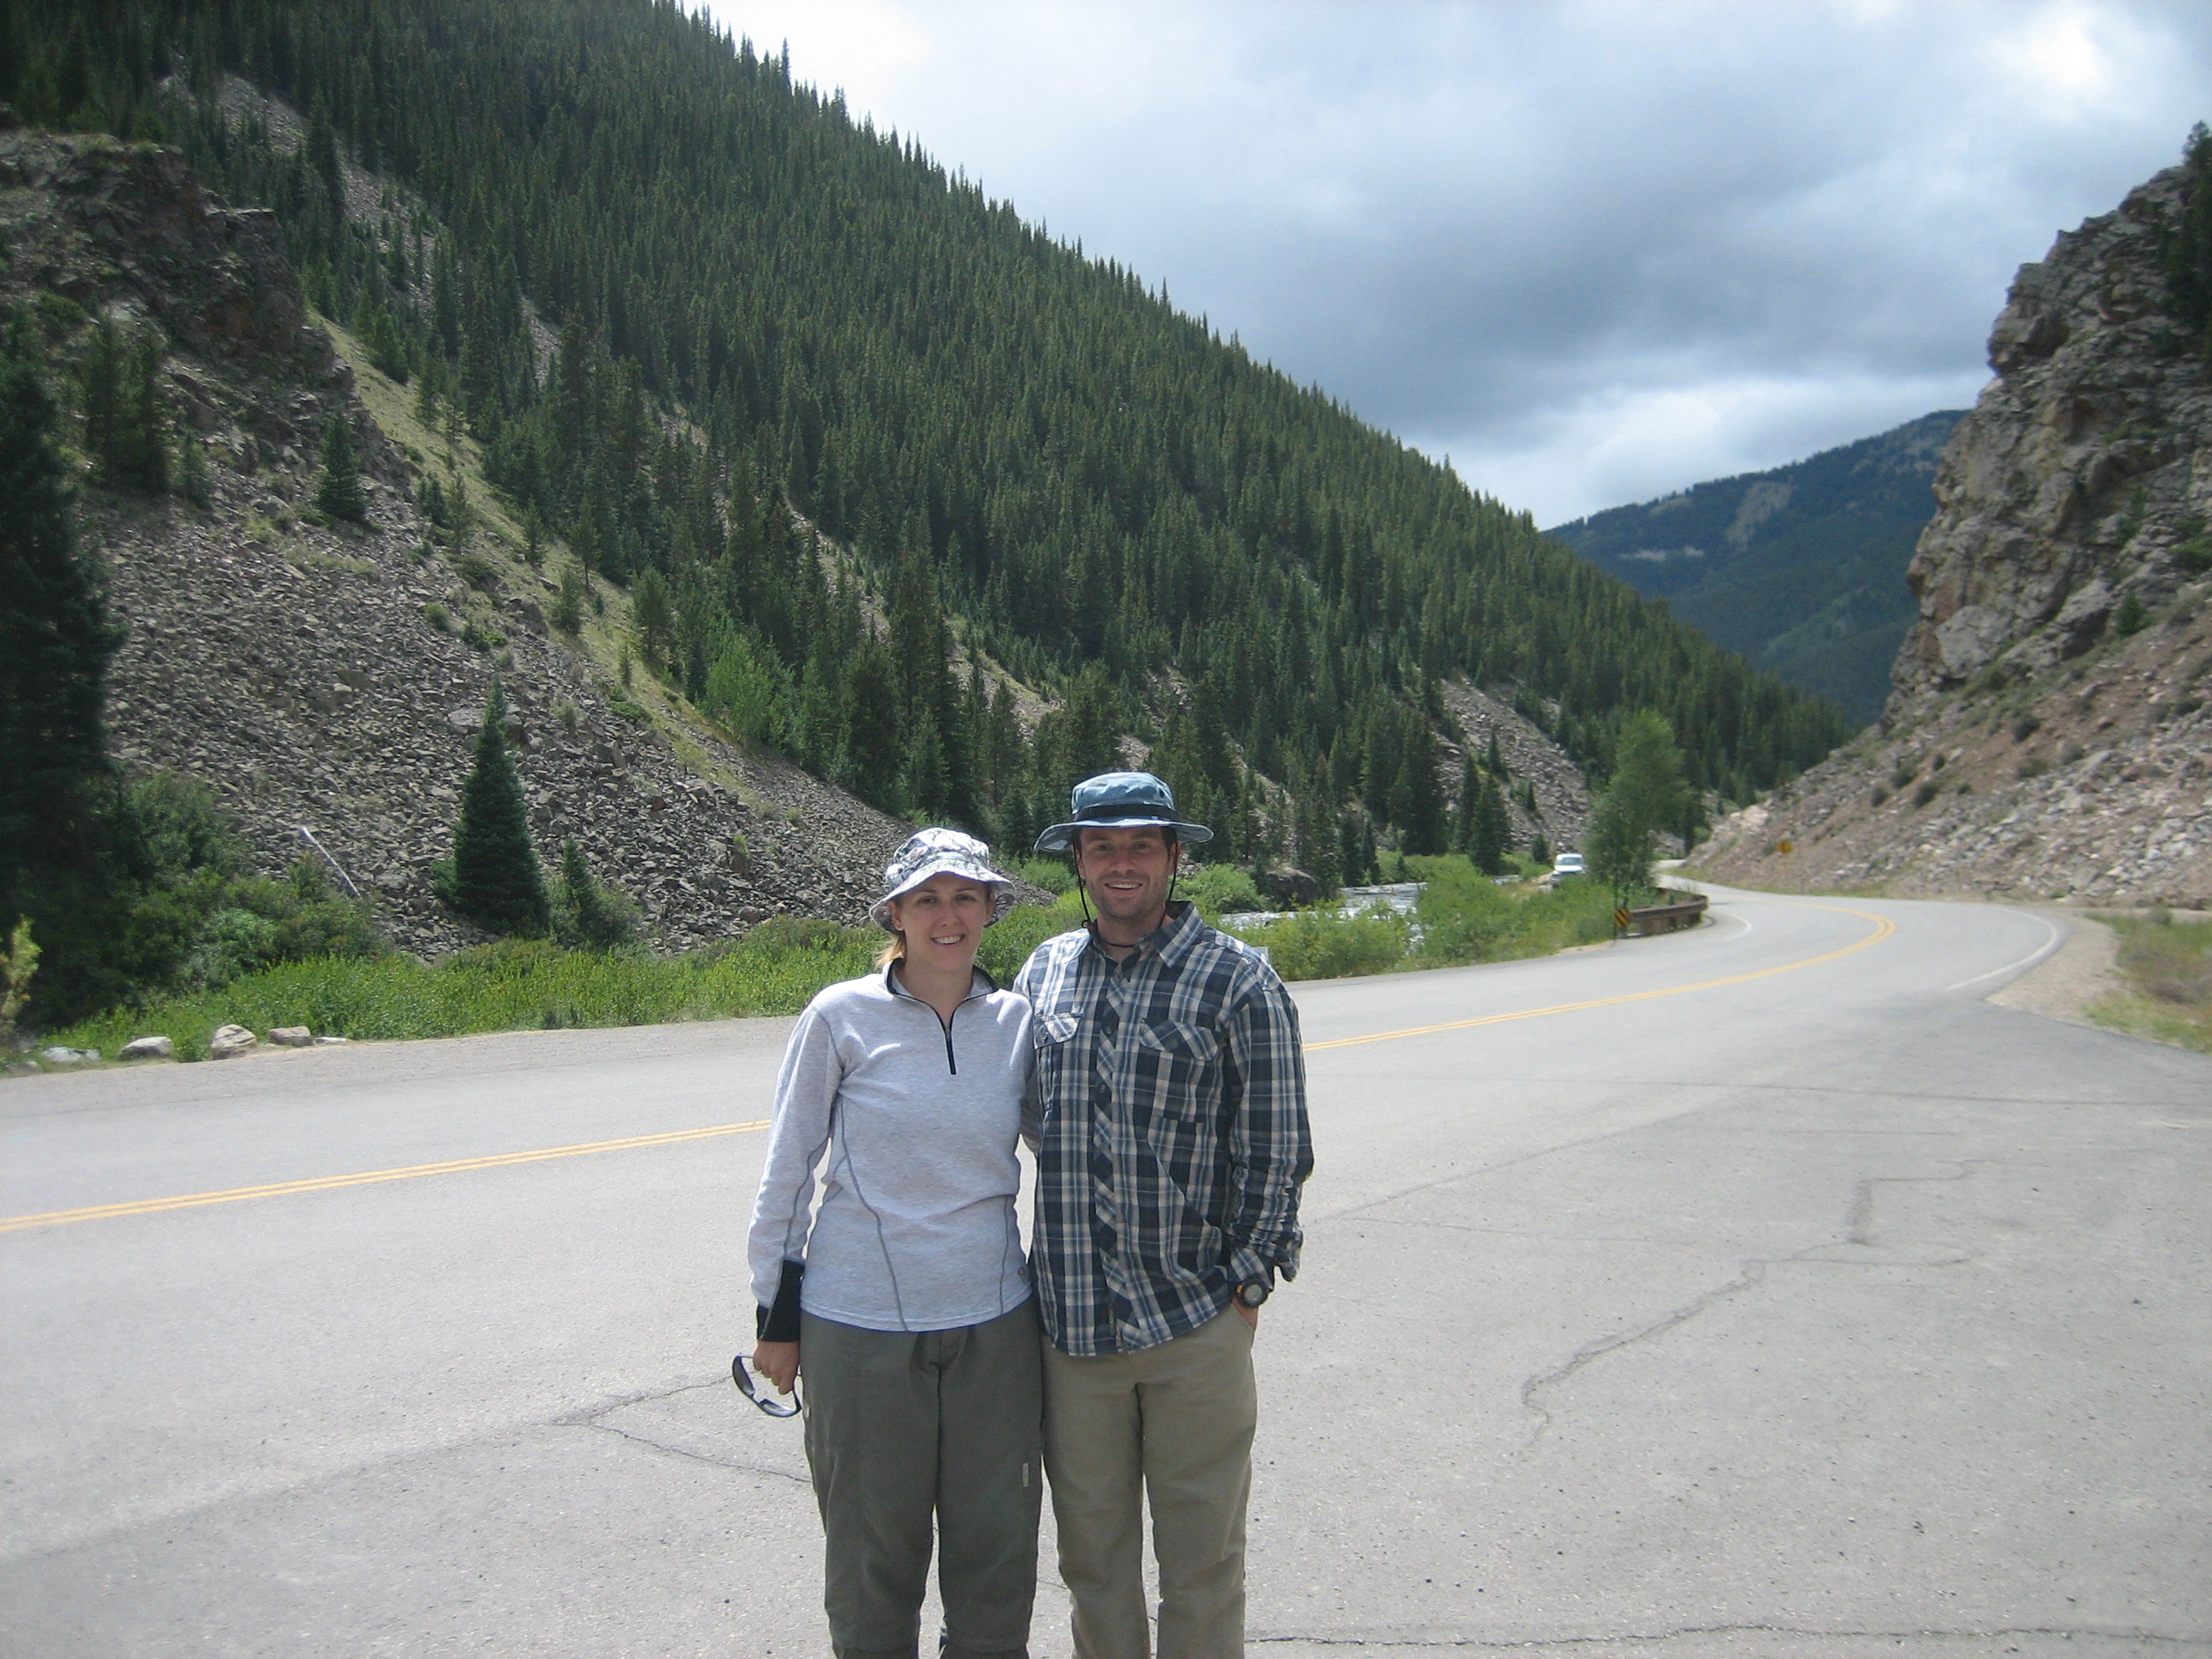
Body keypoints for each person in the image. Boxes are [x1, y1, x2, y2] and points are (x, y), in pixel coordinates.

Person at [1017, 771, 1313, 1657]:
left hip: (1193, 1326)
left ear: (1175, 856)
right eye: (1102, 846)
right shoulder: (1043, 973)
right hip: (1072, 1337)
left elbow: (1275, 1148)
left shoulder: (1239, 979)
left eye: (1141, 844)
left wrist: (1246, 1286)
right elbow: (1026, 1118)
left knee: (1202, 1566)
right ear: (1078, 860)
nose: (1122, 863)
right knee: (1092, 1565)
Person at [747, 827, 1042, 1659]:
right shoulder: (840, 1017)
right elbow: (788, 1172)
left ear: (991, 909)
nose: (948, 917)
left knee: (998, 1557)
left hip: (995, 1328)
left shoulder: (1018, 1022)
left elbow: (1064, 1145)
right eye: (927, 899)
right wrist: (777, 1316)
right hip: (861, 1329)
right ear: (896, 915)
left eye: (965, 897)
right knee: (873, 1562)